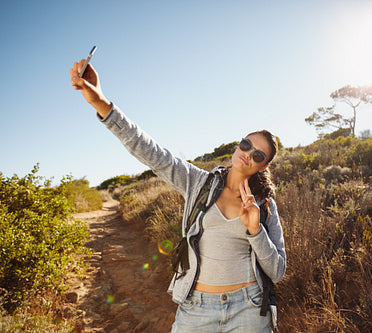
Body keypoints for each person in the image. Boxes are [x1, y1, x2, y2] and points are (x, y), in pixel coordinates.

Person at [70, 59, 286, 332]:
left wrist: (256, 230)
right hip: (197, 310)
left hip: (250, 310)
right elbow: (152, 152)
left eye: (257, 154)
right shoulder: (198, 183)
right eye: (246, 144)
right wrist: (101, 104)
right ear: (238, 144)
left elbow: (277, 271)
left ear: (263, 165)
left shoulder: (265, 205)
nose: (247, 153)